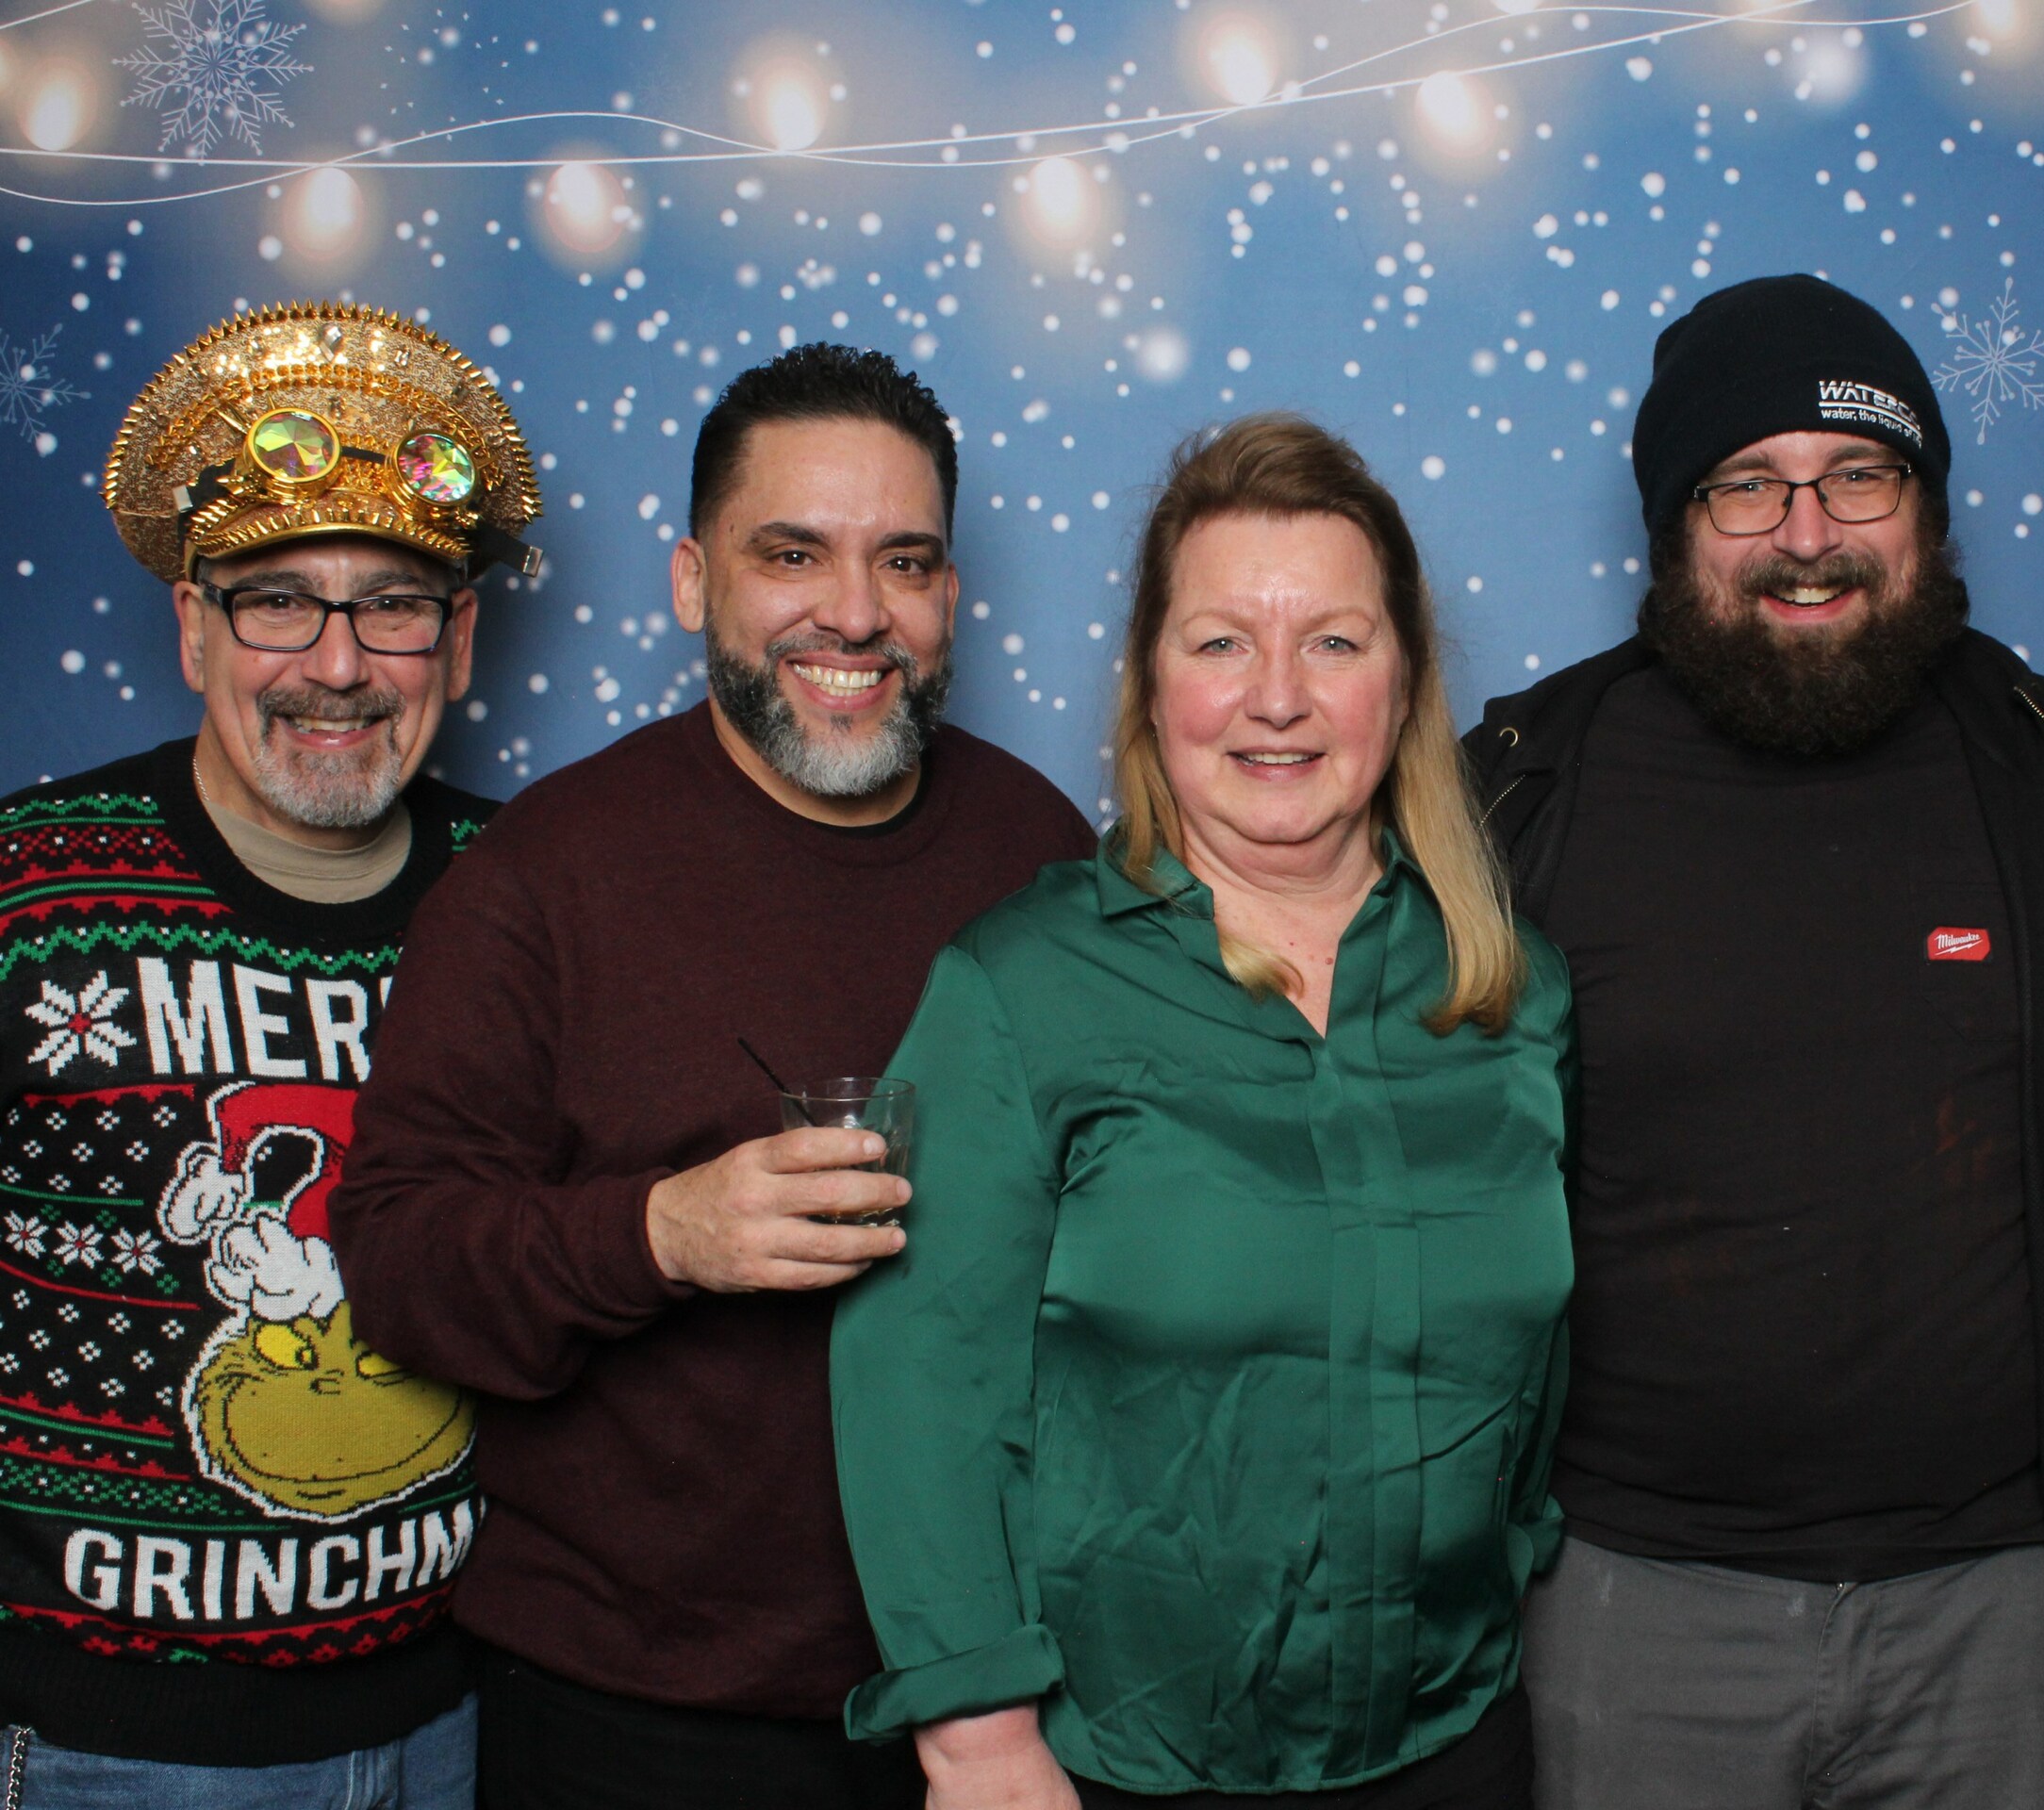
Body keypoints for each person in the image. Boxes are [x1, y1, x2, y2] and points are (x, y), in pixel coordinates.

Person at [325, 344, 1093, 1809]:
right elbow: (402, 1262)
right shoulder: (544, 875)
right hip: (637, 1715)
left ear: (950, 593)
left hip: (1002, 1691)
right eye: (791, 554)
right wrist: (661, 1233)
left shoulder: (1040, 848)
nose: (855, 613)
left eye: (904, 561)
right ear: (692, 583)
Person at [1464, 273, 2044, 1810]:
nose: (1807, 533)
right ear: (1674, 523)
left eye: (1860, 475)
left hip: (2006, 1602)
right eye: (1747, 484)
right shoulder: (1519, 791)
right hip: (1628, 1597)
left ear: (1925, 511)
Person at [832, 414, 1572, 1810]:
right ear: (1151, 681)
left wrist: (1508, 1550)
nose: (1276, 699)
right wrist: (979, 1738)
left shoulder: (1513, 992)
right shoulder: (1017, 986)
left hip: (1454, 1746)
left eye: (1334, 642)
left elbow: (1539, 1370)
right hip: (1119, 1771)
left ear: (1406, 678)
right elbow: (918, 1387)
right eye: (1223, 641)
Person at [0, 301, 541, 1803]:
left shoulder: (532, 897)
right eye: (279, 603)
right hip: (114, 1753)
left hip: (462, 1727)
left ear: (458, 640)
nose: (338, 665)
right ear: (193, 627)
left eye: (393, 605)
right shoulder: (34, 891)